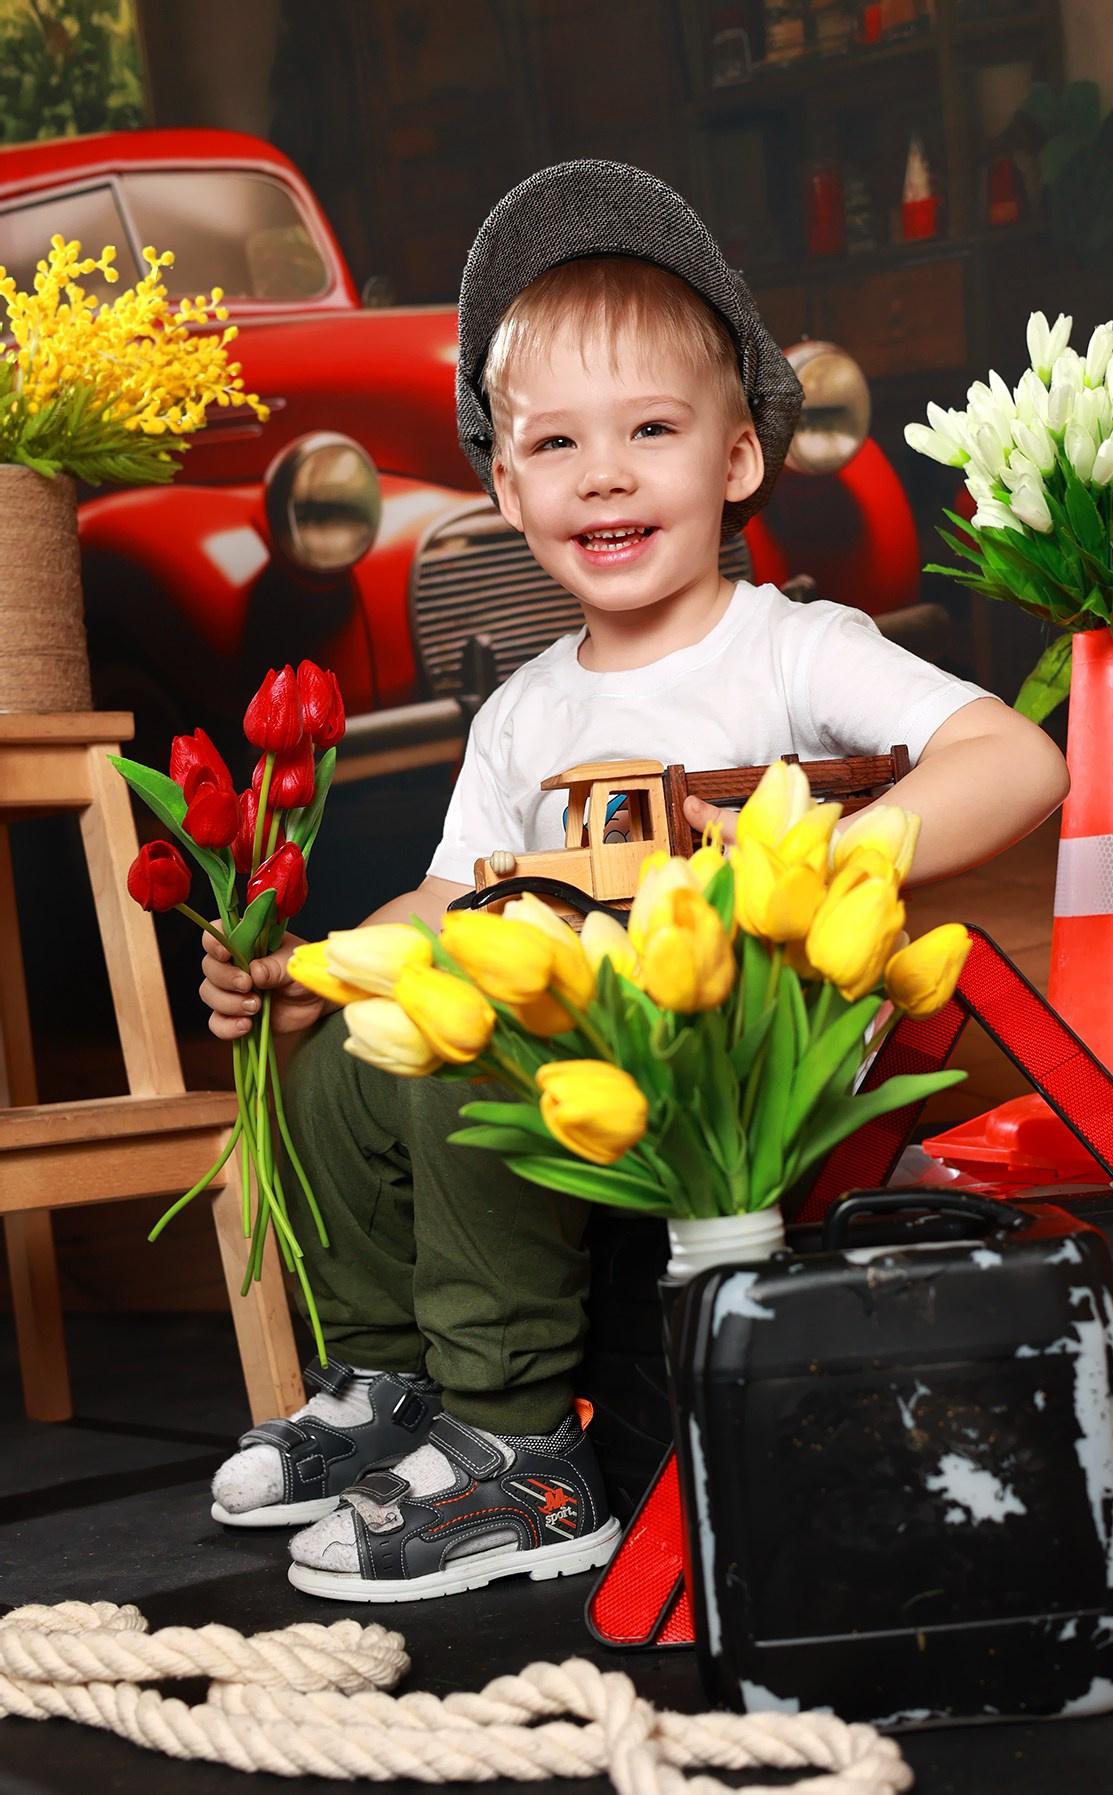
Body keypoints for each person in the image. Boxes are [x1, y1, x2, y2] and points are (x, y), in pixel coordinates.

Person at [201, 160, 1069, 1603]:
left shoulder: (790, 647)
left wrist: (817, 856)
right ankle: (392, 1383)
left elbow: (1017, 759)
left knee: (468, 1053)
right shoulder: (524, 711)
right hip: (577, 1040)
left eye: (652, 430)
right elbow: (448, 905)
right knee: (348, 1051)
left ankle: (523, 1453)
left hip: (736, 1068)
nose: (603, 474)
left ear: (737, 460)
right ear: (506, 486)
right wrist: (320, 968)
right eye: (556, 443)